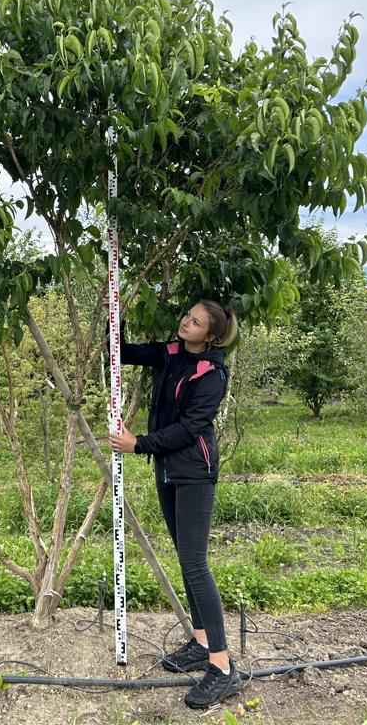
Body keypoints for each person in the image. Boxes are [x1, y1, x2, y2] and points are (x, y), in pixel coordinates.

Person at [108, 298, 244, 710]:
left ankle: (222, 668)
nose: (187, 322)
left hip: (193, 471)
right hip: (167, 470)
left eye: (197, 321)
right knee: (185, 559)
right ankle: (202, 643)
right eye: (188, 315)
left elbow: (190, 427)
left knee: (195, 563)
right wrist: (118, 310)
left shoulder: (212, 373)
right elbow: (121, 352)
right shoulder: (171, 352)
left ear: (212, 335)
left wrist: (139, 445)